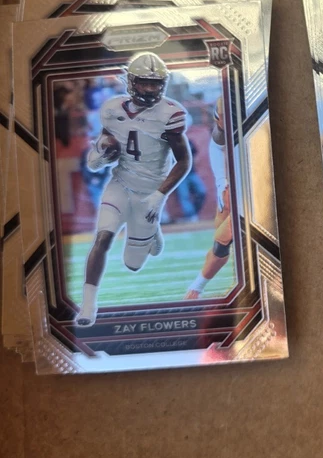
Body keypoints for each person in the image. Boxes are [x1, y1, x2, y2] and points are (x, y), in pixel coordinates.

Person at [76, 53, 192, 326]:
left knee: (133, 264)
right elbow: (105, 146)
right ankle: (88, 306)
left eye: (156, 83)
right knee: (102, 238)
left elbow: (184, 161)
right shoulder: (112, 108)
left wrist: (159, 195)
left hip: (150, 191)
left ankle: (152, 233)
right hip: (121, 182)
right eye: (144, 83)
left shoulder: (170, 114)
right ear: (131, 82)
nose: (150, 89)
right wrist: (103, 153)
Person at [186, 95, 232, 298]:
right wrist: (222, 183)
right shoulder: (225, 109)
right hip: (238, 183)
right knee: (220, 238)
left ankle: (194, 290)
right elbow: (217, 142)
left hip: (260, 183)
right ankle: (196, 289)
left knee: (224, 239)